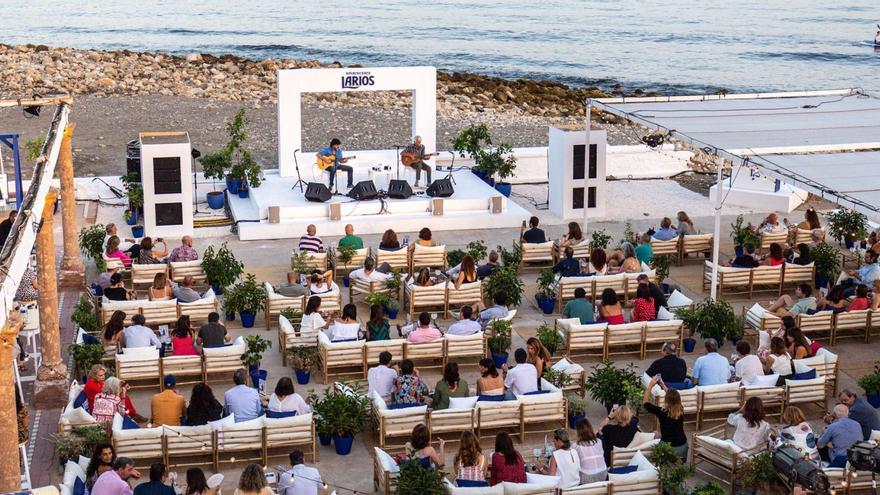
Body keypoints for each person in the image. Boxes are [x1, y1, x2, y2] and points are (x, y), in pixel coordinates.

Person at [643, 376, 688, 459]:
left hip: (669, 448)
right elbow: (673, 397)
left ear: (666, 400)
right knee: (659, 434)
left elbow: (645, 403)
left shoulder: (661, 412)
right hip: (683, 447)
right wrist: (662, 384)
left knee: (655, 434)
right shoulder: (681, 409)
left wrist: (650, 386)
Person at [572, 418, 606, 484]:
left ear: (578, 431)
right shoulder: (599, 441)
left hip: (586, 478)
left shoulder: (576, 446)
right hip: (603, 475)